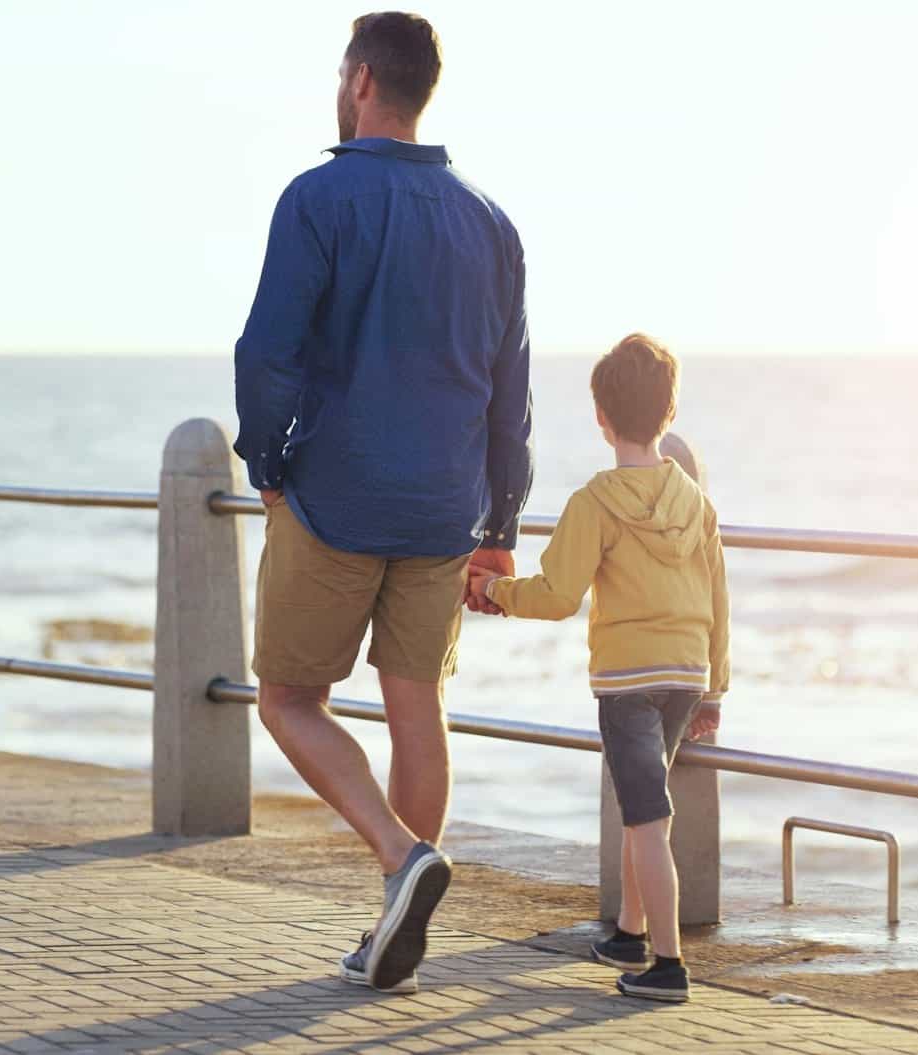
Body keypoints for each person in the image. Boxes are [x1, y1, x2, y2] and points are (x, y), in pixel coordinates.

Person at [232, 11, 533, 995]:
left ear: (360, 80)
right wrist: (498, 528)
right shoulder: (490, 221)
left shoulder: (317, 197)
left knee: (285, 696)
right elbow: (508, 392)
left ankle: (401, 859)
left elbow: (266, 351)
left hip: (336, 493)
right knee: (417, 705)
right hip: (446, 507)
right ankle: (397, 921)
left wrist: (263, 457)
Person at [469, 334, 730, 1003]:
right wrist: (715, 686)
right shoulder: (695, 502)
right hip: (685, 673)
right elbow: (718, 594)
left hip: (629, 683)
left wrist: (496, 591)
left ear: (601, 419)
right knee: (644, 805)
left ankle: (667, 964)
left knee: (645, 815)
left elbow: (557, 595)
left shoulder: (595, 501)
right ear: (667, 414)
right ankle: (627, 930)